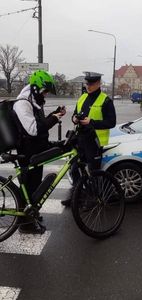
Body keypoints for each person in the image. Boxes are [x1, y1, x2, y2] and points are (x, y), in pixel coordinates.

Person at [13, 69, 66, 234]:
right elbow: (34, 129)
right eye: (45, 90)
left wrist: (54, 113)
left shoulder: (34, 102)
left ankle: (31, 213)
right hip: (27, 152)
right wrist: (54, 118)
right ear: (35, 88)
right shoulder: (22, 103)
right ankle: (25, 225)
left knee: (35, 185)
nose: (46, 94)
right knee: (29, 187)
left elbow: (41, 123)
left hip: (35, 149)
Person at [61, 71, 116, 207]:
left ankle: (93, 199)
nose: (88, 86)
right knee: (74, 169)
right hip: (80, 139)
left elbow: (111, 122)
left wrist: (92, 122)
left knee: (93, 173)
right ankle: (77, 196)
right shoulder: (82, 97)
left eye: (91, 84)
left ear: (98, 84)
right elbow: (75, 114)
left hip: (95, 142)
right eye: (86, 83)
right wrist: (74, 118)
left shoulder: (105, 100)